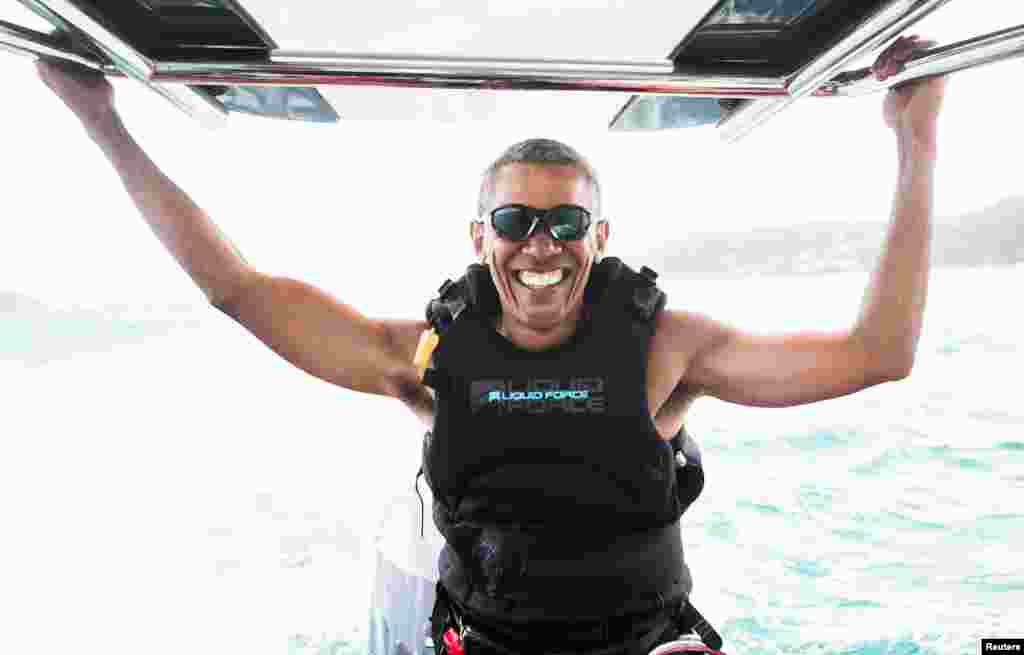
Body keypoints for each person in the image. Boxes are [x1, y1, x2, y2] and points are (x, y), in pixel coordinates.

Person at [35, 33, 947, 655]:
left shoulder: (667, 349)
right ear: (479, 237)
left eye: (565, 222)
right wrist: (99, 118)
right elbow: (237, 290)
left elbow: (877, 352)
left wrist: (917, 136)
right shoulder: (428, 357)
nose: (540, 244)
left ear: (599, 235)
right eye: (515, 218)